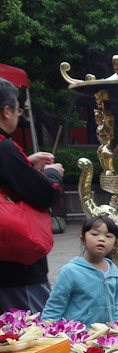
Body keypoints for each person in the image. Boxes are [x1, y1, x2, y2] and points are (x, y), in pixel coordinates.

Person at [0, 77, 64, 314]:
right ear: (6, 111)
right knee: (35, 337)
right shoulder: (5, 148)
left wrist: (26, 162)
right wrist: (52, 174)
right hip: (16, 269)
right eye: (18, 110)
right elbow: (46, 194)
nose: (19, 116)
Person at [41, 216, 118, 325]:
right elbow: (54, 307)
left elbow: (114, 305)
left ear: (115, 244)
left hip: (105, 336)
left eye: (108, 236)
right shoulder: (70, 272)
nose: (101, 239)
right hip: (77, 337)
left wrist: (114, 326)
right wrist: (47, 332)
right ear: (83, 239)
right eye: (94, 234)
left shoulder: (112, 270)